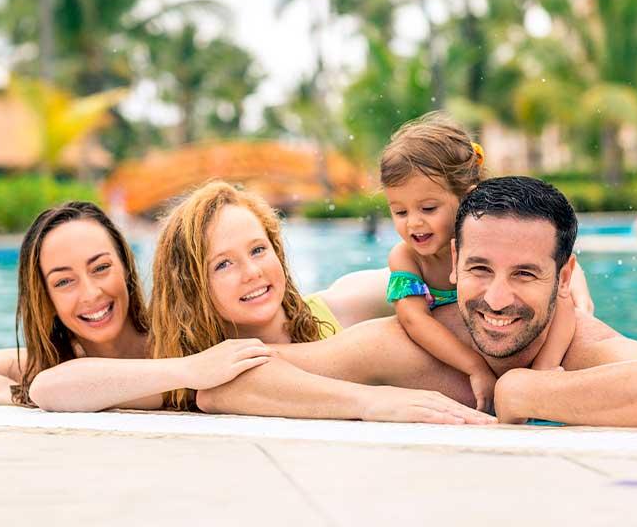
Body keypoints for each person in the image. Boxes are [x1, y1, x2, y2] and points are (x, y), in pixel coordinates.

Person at [197, 177, 637, 428]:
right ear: (453, 261)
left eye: (524, 274)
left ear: (563, 276)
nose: (497, 299)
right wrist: (369, 403)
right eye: (479, 269)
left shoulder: (582, 347)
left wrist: (527, 392)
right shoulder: (406, 346)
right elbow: (224, 385)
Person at [0, 201, 275, 411]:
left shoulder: (186, 336)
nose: (90, 294)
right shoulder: (49, 366)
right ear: (45, 297)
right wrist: (1, 391)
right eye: (64, 281)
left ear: (127, 268)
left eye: (101, 268)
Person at [149, 180, 496, 424]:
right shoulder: (194, 368)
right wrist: (373, 401)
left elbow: (461, 279)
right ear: (190, 285)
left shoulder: (346, 303)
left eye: (258, 250)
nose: (252, 272)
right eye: (223, 264)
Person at [381, 112, 575, 411]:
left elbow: (563, 300)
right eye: (400, 212)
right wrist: (475, 367)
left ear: (466, 198)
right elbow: (413, 319)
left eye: (428, 208)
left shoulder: (498, 242)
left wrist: (543, 371)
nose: (414, 224)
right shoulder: (406, 257)